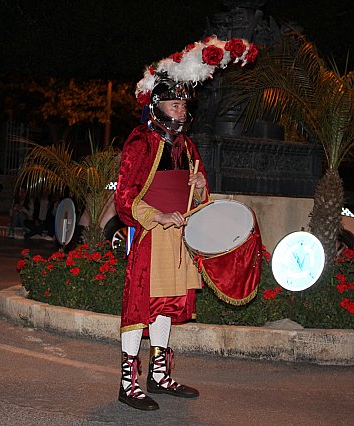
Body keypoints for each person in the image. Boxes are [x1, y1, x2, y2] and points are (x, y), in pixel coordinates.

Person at [114, 37, 256, 411]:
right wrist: (155, 216)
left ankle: (159, 376)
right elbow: (125, 196)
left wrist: (199, 187)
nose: (181, 110)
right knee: (139, 307)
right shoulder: (140, 143)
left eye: (182, 104)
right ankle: (127, 384)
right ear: (158, 106)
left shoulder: (188, 147)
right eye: (175, 104)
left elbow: (200, 202)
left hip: (181, 238)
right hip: (151, 236)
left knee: (168, 307)